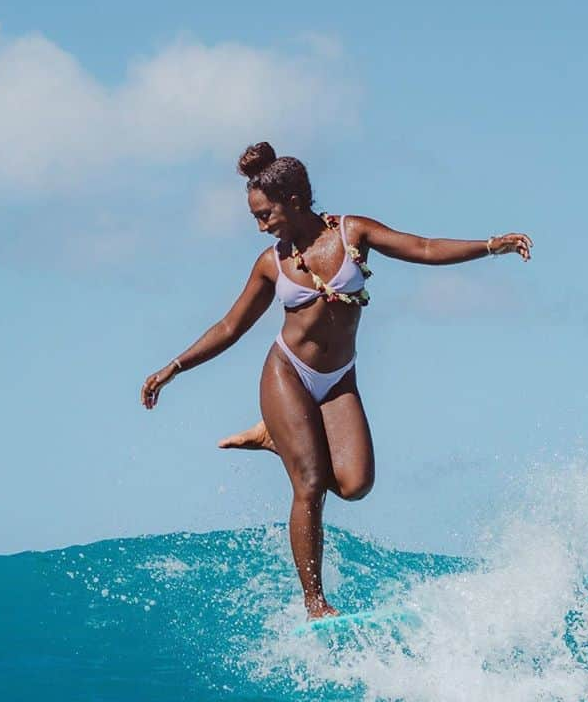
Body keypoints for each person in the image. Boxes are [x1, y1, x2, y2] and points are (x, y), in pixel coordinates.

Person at [141, 142, 532, 620]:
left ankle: (276, 436)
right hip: (288, 373)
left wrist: (492, 245)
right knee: (309, 485)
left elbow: (425, 248)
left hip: (338, 379)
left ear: (295, 202)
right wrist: (173, 368)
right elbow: (229, 327)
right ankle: (314, 601)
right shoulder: (272, 263)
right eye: (256, 218)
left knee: (355, 484)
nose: (262, 227)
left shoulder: (353, 233)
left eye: (267, 215)